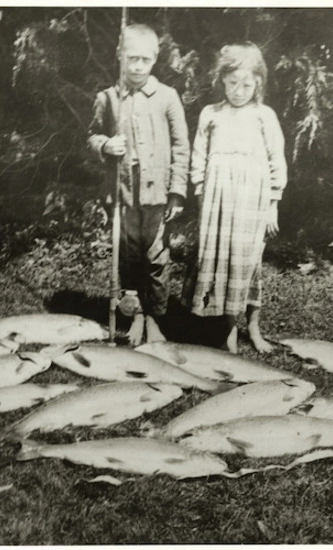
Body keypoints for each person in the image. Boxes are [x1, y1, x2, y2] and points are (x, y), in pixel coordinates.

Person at [87, 23, 190, 346]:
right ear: (119, 55)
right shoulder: (108, 98)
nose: (136, 67)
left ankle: (156, 320)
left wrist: (176, 193)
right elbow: (91, 136)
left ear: (155, 60)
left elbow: (181, 147)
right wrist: (105, 145)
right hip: (123, 196)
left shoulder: (168, 98)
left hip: (157, 196)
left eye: (144, 60)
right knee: (128, 258)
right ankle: (137, 316)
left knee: (157, 258)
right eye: (131, 58)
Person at [186, 43, 287, 353]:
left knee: (248, 261)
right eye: (232, 84)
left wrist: (273, 204)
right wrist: (202, 195)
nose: (239, 91)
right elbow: (198, 158)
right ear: (222, 81)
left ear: (258, 81)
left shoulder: (264, 116)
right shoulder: (211, 114)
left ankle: (254, 327)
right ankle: (227, 329)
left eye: (247, 84)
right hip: (218, 202)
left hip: (251, 202)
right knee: (222, 262)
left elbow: (276, 160)